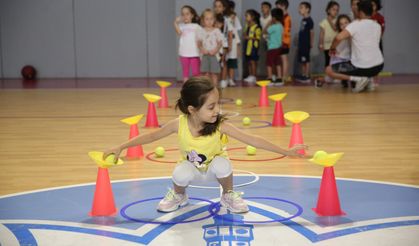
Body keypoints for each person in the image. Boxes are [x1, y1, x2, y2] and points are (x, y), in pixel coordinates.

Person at [103, 76, 308, 213]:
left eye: (217, 104)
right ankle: (180, 196)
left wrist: (286, 151)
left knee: (223, 163)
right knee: (180, 171)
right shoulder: (179, 124)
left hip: (214, 171)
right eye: (211, 107)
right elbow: (150, 137)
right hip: (193, 170)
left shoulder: (221, 125)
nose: (217, 110)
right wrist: (121, 146)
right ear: (192, 109)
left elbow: (252, 139)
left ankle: (228, 196)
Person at [325, 0, 384, 93]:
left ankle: (357, 79)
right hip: (379, 66)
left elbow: (338, 37)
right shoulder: (377, 26)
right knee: (365, 64)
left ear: (360, 12)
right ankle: (368, 81)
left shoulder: (355, 24)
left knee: (329, 70)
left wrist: (332, 48)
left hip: (361, 67)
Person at [317, 14, 352, 88]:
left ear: (350, 23)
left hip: (347, 59)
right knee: (330, 78)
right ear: (339, 26)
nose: (344, 25)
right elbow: (334, 50)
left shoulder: (351, 34)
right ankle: (320, 80)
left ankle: (345, 80)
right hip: (338, 59)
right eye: (341, 24)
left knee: (335, 77)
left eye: (346, 22)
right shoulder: (339, 36)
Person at [174, 5, 201, 83]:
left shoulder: (196, 26)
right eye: (183, 14)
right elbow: (178, 32)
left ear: (192, 15)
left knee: (196, 72)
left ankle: (197, 87)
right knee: (185, 73)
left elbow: (201, 37)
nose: (185, 16)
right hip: (184, 53)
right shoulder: (181, 26)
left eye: (187, 14)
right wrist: (175, 22)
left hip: (195, 53)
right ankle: (186, 88)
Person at [197, 9, 224, 86]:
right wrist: (203, 50)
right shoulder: (201, 31)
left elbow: (220, 43)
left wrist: (215, 50)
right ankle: (206, 90)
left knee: (214, 74)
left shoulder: (216, 31)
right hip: (205, 55)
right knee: (205, 74)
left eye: (211, 19)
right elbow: (199, 43)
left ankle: (215, 90)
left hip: (214, 55)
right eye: (207, 19)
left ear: (214, 19)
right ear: (203, 20)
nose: (209, 21)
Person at [264, 8, 284, 86]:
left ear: (274, 18)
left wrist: (269, 23)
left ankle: (270, 78)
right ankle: (279, 78)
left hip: (272, 48)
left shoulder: (274, 27)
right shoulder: (281, 26)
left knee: (269, 63)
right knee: (277, 62)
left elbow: (265, 31)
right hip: (278, 47)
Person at [319, 1, 340, 72]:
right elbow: (321, 34)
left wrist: (329, 20)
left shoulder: (338, 20)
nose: (335, 12)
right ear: (328, 10)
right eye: (333, 9)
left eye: (337, 10)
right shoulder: (324, 22)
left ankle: (335, 75)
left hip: (335, 45)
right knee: (328, 61)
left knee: (335, 61)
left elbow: (335, 28)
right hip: (327, 45)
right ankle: (328, 75)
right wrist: (321, 44)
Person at [296, 2, 314, 83]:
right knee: (302, 60)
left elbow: (312, 32)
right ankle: (303, 74)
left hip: (306, 44)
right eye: (299, 8)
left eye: (302, 7)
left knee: (306, 60)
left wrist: (311, 42)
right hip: (301, 44)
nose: (300, 9)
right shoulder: (303, 19)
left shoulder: (309, 20)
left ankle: (307, 76)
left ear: (307, 9)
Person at [243, 9, 262, 84]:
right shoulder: (247, 25)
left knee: (253, 61)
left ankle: (254, 76)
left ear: (252, 17)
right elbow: (244, 34)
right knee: (248, 61)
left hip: (253, 47)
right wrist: (245, 36)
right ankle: (250, 75)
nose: (245, 18)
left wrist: (250, 38)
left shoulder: (257, 27)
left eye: (247, 16)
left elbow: (258, 37)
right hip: (247, 46)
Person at [275, 0, 291, 83]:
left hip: (284, 42)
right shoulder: (280, 18)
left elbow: (285, 31)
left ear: (284, 6)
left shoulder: (287, 18)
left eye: (278, 7)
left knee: (284, 59)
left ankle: (284, 76)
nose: (277, 9)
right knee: (278, 59)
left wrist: (281, 40)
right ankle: (279, 76)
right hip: (278, 42)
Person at [259, 2, 273, 80]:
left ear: (269, 9)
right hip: (265, 40)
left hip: (272, 41)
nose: (263, 9)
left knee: (272, 59)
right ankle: (269, 75)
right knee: (268, 59)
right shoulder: (261, 18)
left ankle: (273, 75)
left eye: (265, 7)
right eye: (262, 7)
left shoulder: (271, 18)